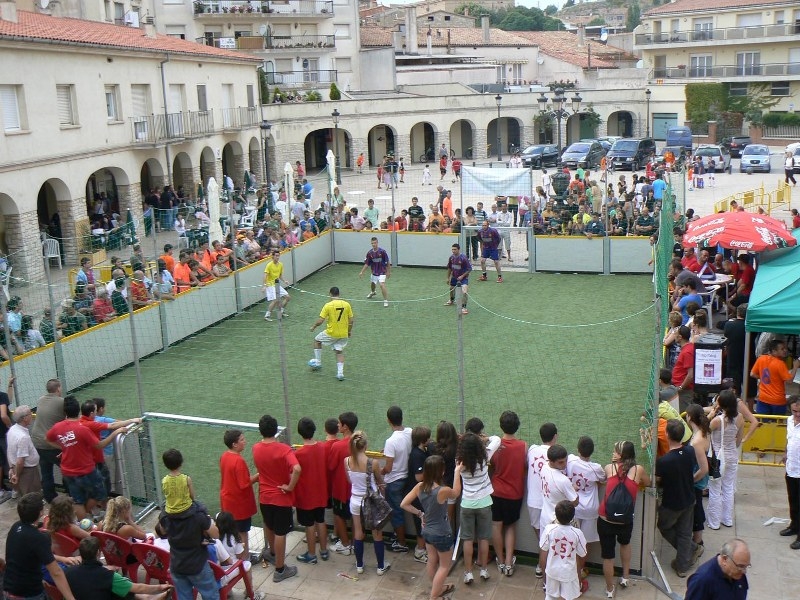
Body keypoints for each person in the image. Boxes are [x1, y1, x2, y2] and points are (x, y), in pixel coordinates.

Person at [46, 396, 122, 520]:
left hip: (68, 470)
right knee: (100, 493)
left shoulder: (57, 427)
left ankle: (83, 522)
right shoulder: (82, 429)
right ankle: (86, 514)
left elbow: (48, 439)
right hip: (86, 469)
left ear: (65, 412)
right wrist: (115, 433)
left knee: (77, 500)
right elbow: (100, 445)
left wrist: (64, 447)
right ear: (79, 412)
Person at [401, 455, 463, 600]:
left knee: (432, 560)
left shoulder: (419, 486)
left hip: (427, 531)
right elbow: (456, 492)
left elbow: (404, 504)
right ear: (441, 472)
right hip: (442, 533)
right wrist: (457, 471)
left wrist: (420, 514)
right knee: (444, 566)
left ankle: (438, 588)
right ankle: (434, 596)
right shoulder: (442, 490)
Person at [252, 414, 301, 583]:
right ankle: (280, 569)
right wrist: (290, 487)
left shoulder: (256, 448)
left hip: (264, 497)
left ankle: (272, 553)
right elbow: (297, 468)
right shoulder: (283, 449)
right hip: (280, 498)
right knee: (281, 532)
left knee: (268, 524)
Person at [598, 441, 651, 598]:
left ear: (620, 455)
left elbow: (602, 480)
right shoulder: (638, 470)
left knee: (608, 556)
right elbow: (647, 483)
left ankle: (609, 589)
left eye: (615, 451)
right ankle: (625, 577)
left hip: (604, 518)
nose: (613, 452)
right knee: (625, 544)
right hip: (625, 520)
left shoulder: (609, 467)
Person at [656, 419, 706, 578]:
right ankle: (682, 564)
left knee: (664, 526)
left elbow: (658, 480)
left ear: (667, 434)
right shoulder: (690, 452)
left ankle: (689, 550)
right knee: (685, 532)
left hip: (672, 503)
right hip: (689, 498)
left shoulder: (664, 461)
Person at [4, 491, 77, 600]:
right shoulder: (38, 538)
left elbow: (28, 555)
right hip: (29, 594)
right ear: (40, 513)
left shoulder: (15, 527)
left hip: (9, 590)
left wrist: (63, 559)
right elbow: (56, 572)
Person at [66, 536, 172, 600]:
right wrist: (160, 587)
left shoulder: (69, 571)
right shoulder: (108, 576)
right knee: (122, 586)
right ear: (98, 552)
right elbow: (138, 588)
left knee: (118, 587)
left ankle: (146, 598)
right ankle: (148, 598)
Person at [345, 430, 391, 575]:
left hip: (355, 500)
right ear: (365, 446)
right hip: (371, 501)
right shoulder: (373, 463)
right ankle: (380, 566)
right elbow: (380, 482)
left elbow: (349, 480)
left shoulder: (346, 461)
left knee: (358, 533)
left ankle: (359, 565)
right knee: (377, 534)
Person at [158, 496, 220, 600]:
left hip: (177, 565)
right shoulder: (198, 515)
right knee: (211, 596)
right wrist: (207, 520)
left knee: (184, 597)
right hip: (197, 565)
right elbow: (216, 534)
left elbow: (162, 530)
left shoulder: (165, 515)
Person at [490, 411, 527, 577]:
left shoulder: (495, 445)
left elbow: (491, 463)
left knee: (496, 525)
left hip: (496, 492)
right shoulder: (523, 446)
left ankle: (500, 559)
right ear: (517, 426)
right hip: (514, 494)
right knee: (510, 526)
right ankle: (508, 562)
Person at [456, 432, 493, 585]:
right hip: (484, 503)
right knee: (483, 538)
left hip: (467, 504)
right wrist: (484, 438)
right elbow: (496, 439)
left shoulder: (459, 462)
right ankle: (484, 569)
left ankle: (468, 572)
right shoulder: (485, 457)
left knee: (468, 539)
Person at [294, 417, 329, 564]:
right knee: (320, 520)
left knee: (309, 524)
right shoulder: (323, 447)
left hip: (306, 495)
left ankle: (311, 554)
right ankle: (324, 550)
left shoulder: (298, 454)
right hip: (321, 492)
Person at [707, 390, 744, 531]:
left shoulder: (717, 420)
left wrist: (711, 414)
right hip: (732, 456)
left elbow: (704, 431)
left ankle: (714, 522)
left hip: (717, 459)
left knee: (715, 489)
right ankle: (727, 519)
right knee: (728, 488)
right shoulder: (740, 418)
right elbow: (739, 440)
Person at [219, 429, 257, 560]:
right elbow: (244, 484)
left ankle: (232, 558)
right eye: (242, 439)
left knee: (231, 532)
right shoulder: (238, 461)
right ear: (234, 444)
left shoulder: (224, 456)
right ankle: (245, 560)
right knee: (243, 534)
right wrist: (258, 476)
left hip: (228, 502)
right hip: (239, 505)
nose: (244, 441)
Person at [540, 501, 587, 600]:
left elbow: (543, 548)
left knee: (550, 596)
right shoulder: (577, 533)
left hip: (552, 571)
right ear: (572, 516)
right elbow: (582, 553)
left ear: (556, 514)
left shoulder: (549, 529)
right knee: (569, 597)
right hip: (569, 573)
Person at [381, 406, 412, 553]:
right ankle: (398, 537)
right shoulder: (410, 432)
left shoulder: (391, 441)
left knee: (396, 512)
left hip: (394, 481)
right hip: (406, 478)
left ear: (388, 420)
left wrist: (378, 471)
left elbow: (388, 468)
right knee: (399, 510)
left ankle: (401, 543)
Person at [328, 411, 358, 555]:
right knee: (355, 516)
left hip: (341, 488)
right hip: (356, 487)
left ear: (345, 427)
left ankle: (346, 545)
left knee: (339, 515)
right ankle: (356, 541)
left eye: (340, 423)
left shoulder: (338, 446)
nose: (338, 425)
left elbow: (331, 466)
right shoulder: (359, 442)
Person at [30, 378, 64, 503]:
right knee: (67, 469)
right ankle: (73, 496)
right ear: (58, 388)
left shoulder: (41, 399)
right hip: (50, 443)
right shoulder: (62, 402)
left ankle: (50, 497)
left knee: (46, 471)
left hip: (37, 441)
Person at [309, 286, 353, 381]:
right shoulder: (347, 304)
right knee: (339, 351)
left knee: (317, 340)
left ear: (330, 294)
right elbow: (351, 320)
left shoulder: (328, 305)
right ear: (339, 294)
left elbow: (320, 320)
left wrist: (313, 327)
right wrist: (349, 331)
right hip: (343, 334)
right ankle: (340, 374)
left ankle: (318, 362)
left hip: (332, 333)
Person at [685, 538, 750, 600]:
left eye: (746, 566)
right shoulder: (702, 580)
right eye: (740, 566)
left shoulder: (737, 572)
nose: (744, 571)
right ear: (725, 559)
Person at [750, 338, 800, 416]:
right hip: (777, 401)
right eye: (782, 349)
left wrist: (765, 378)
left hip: (763, 398)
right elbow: (789, 381)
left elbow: (752, 374)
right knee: (777, 424)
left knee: (763, 424)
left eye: (785, 348)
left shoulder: (761, 358)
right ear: (774, 351)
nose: (785, 350)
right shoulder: (780, 364)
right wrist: (795, 367)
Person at [685, 405, 711, 547]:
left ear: (689, 417)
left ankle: (697, 541)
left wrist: (690, 480)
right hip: (697, 479)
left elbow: (704, 468)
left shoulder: (697, 441)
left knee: (696, 508)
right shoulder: (702, 432)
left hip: (696, 480)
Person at [6, 404, 41, 496]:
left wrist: (11, 469)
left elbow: (9, 451)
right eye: (30, 413)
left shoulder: (12, 430)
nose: (32, 414)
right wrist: (16, 475)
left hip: (16, 468)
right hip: (27, 471)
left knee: (24, 495)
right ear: (25, 418)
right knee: (32, 497)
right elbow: (20, 461)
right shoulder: (23, 437)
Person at [781, 396, 800, 549]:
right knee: (792, 500)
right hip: (791, 467)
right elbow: (789, 439)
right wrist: (786, 453)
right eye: (795, 411)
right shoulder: (789, 421)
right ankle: (794, 525)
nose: (797, 415)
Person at [162, 448, 196, 516]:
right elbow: (192, 496)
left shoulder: (164, 480)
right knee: (202, 507)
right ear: (181, 463)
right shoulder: (186, 479)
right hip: (186, 510)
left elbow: (167, 495)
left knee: (163, 505)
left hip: (170, 512)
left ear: (165, 465)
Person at [359, 237, 391, 308]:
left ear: (377, 243)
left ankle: (385, 300)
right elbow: (367, 264)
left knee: (382, 285)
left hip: (382, 271)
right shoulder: (369, 253)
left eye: (375, 243)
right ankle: (373, 292)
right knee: (373, 284)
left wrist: (388, 271)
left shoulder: (382, 252)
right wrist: (362, 272)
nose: (374, 244)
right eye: (372, 243)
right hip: (374, 272)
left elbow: (388, 262)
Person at [263, 250, 291, 322]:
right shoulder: (269, 265)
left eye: (278, 256)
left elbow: (280, 275)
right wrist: (264, 285)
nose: (277, 257)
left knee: (287, 297)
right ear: (272, 256)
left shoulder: (281, 264)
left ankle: (280, 311)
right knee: (275, 300)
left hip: (277, 284)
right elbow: (265, 275)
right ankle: (267, 315)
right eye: (276, 256)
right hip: (270, 285)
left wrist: (284, 281)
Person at [444, 243, 471, 315]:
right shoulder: (451, 258)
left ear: (458, 249)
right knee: (451, 288)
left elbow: (469, 269)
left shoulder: (463, 258)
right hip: (454, 277)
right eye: (452, 249)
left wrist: (462, 276)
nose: (453, 251)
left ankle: (464, 307)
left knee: (464, 291)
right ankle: (451, 300)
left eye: (455, 249)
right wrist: (448, 278)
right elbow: (450, 268)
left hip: (463, 278)